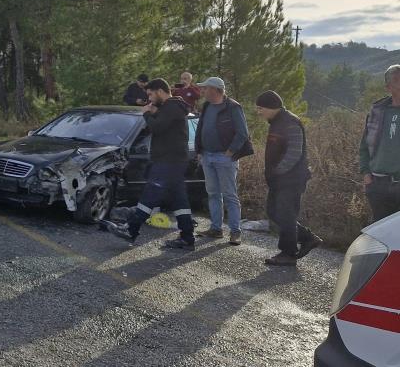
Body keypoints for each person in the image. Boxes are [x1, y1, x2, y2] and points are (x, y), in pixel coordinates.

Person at [108, 79, 196, 250]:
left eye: (150, 94)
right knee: (179, 200)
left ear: (160, 91)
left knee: (150, 194)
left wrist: (147, 113)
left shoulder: (172, 107)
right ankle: (187, 237)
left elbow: (158, 127)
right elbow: (163, 125)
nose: (148, 98)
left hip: (168, 161)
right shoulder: (171, 108)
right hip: (173, 161)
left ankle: (131, 230)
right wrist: (155, 112)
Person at [256, 90, 322, 266]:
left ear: (271, 107)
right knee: (273, 212)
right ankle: (308, 238)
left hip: (291, 179)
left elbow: (294, 152)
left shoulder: (290, 122)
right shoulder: (276, 122)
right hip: (279, 179)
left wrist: (278, 171)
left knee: (285, 214)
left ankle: (288, 253)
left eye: (261, 108)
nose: (259, 111)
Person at [194, 76, 253, 245]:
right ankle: (216, 229)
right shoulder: (206, 106)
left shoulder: (233, 107)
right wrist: (199, 150)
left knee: (229, 195)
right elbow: (200, 129)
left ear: (215, 89)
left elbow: (242, 133)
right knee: (213, 194)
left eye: (205, 88)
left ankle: (235, 232)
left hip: (224, 157)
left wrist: (230, 151)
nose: (202, 91)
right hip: (207, 155)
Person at [360, 64, 400, 223]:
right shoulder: (377, 112)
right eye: (398, 80)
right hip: (378, 184)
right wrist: (366, 175)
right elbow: (364, 146)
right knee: (380, 235)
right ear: (388, 87)